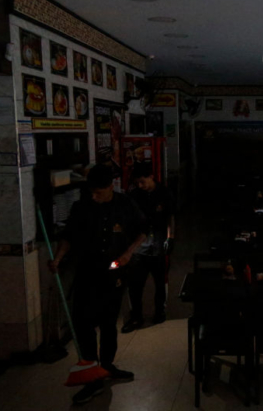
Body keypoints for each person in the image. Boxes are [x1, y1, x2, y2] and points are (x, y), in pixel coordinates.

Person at [48, 164, 146, 405]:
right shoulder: (81, 206)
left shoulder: (125, 204)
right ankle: (92, 375)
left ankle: (107, 365)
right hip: (87, 272)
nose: (94, 196)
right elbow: (68, 236)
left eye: (98, 192)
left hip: (114, 273)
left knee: (109, 322)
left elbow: (142, 231)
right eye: (91, 191)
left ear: (110, 186)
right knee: (83, 324)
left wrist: (128, 253)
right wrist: (58, 258)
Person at [122, 165, 175, 333]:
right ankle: (136, 316)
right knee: (135, 284)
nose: (140, 186)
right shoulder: (134, 196)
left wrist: (171, 238)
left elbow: (171, 217)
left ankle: (160, 312)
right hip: (139, 247)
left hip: (158, 245)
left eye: (142, 182)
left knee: (160, 282)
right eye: (137, 183)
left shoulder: (164, 193)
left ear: (151, 176)